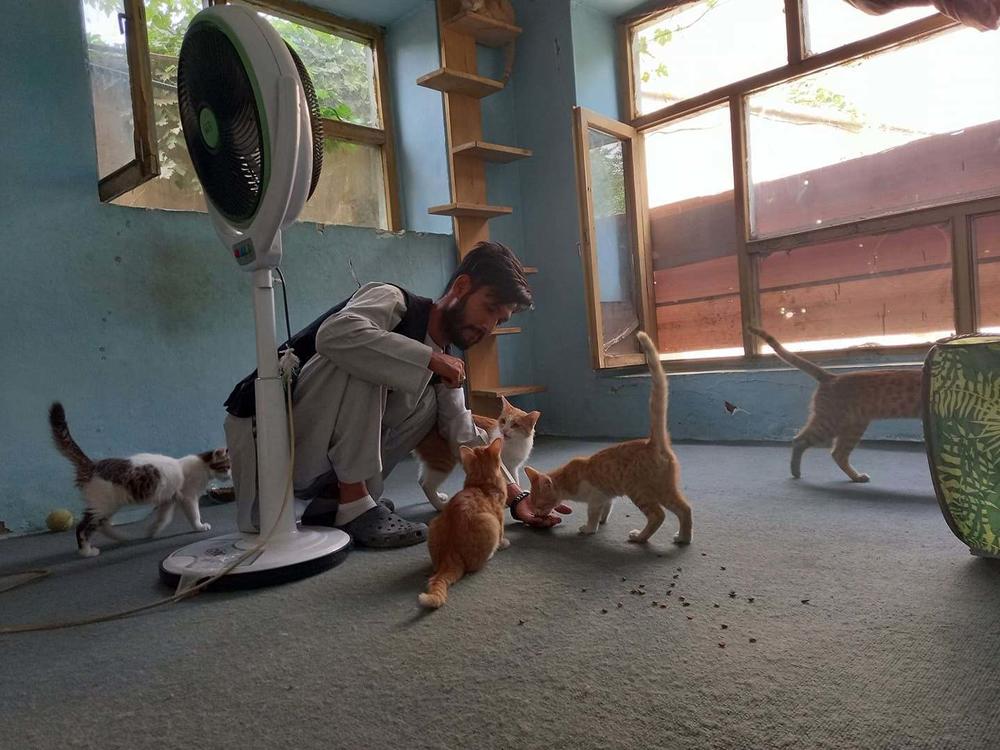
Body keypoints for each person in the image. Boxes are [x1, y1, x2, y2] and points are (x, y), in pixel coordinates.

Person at [223, 241, 570, 548]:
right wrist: (431, 358)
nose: (489, 326)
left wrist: (516, 497)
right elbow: (333, 336)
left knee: (440, 406)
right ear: (462, 287)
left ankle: (335, 500)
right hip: (275, 453)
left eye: (501, 319)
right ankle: (354, 504)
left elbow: (464, 438)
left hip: (315, 472)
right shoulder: (393, 299)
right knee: (367, 350)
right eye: (490, 309)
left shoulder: (447, 360)